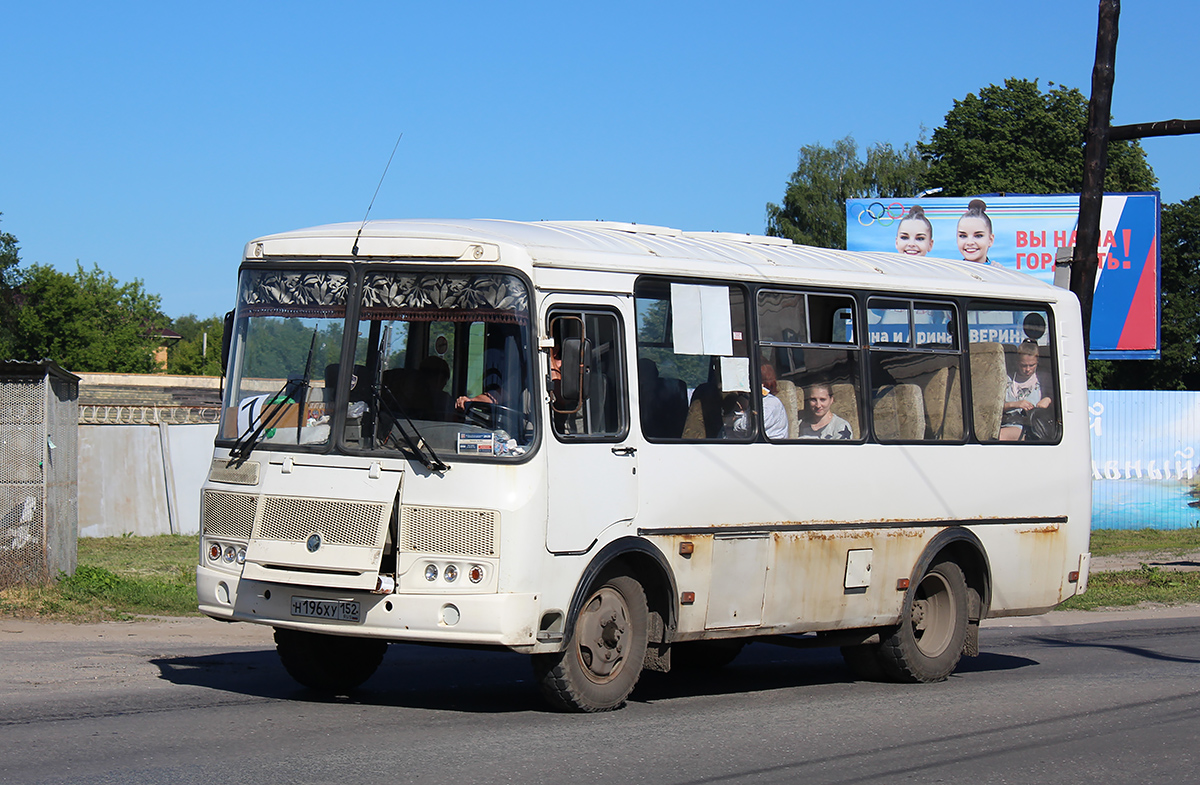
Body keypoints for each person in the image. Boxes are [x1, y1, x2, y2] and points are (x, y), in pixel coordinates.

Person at [1000, 340, 1052, 441]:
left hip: (1032, 426)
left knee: (1000, 437)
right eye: (1023, 365)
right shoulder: (1006, 379)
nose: (1027, 369)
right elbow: (996, 407)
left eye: (1032, 365)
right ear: (1017, 362)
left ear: (1038, 362)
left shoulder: (1043, 378)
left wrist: (1048, 399)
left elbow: (1059, 399)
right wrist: (1015, 404)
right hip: (1008, 422)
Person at [957, 199, 995, 265]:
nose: (970, 242)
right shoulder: (951, 273)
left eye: (978, 236)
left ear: (990, 240)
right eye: (963, 236)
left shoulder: (999, 273)